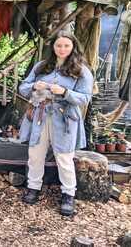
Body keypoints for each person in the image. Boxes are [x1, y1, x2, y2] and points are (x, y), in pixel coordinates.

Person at [19, 30, 93, 216]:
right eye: (59, 45)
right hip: (40, 115)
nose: (62, 49)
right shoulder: (41, 66)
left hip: (65, 118)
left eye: (66, 45)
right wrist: (35, 86)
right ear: (53, 47)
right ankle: (33, 187)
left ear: (73, 46)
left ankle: (68, 195)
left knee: (64, 158)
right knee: (35, 154)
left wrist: (65, 92)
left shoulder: (81, 70)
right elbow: (23, 87)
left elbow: (85, 98)